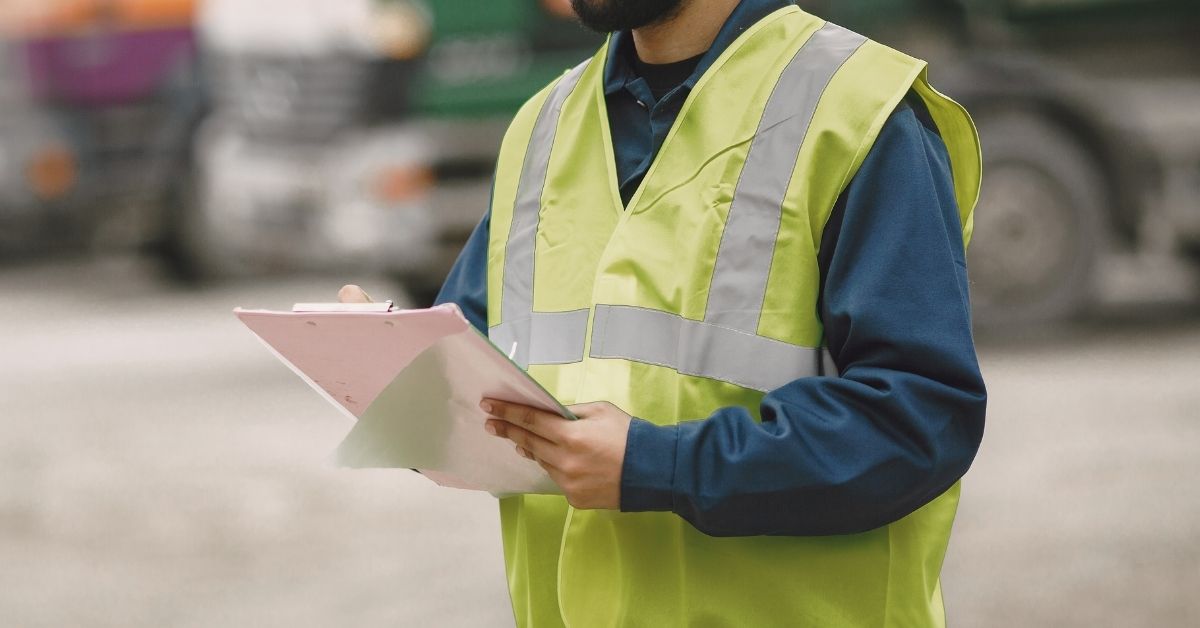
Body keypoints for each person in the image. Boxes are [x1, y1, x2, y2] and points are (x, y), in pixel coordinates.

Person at [344, 0, 985, 625]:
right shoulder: (542, 128)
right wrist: (394, 369)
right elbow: (480, 385)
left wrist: (658, 465)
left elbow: (919, 418)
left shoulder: (858, 112)